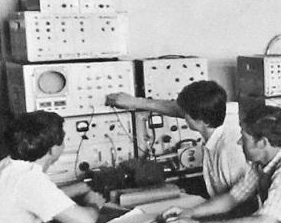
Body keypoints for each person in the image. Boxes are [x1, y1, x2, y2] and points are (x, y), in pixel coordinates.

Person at [106, 80, 248, 197]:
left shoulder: (229, 150)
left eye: (186, 114)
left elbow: (241, 200)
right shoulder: (217, 113)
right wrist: (135, 102)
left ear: (199, 120)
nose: (182, 116)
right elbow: (178, 109)